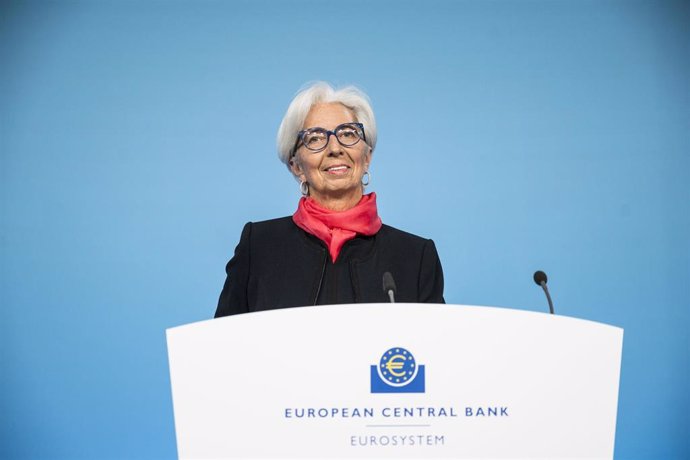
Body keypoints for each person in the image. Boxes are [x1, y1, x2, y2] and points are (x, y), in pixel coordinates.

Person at [215, 82, 444, 317]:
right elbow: (221, 344)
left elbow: (436, 348)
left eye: (348, 134)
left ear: (367, 157)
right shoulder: (259, 247)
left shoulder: (415, 257)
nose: (335, 148)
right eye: (315, 138)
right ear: (296, 166)